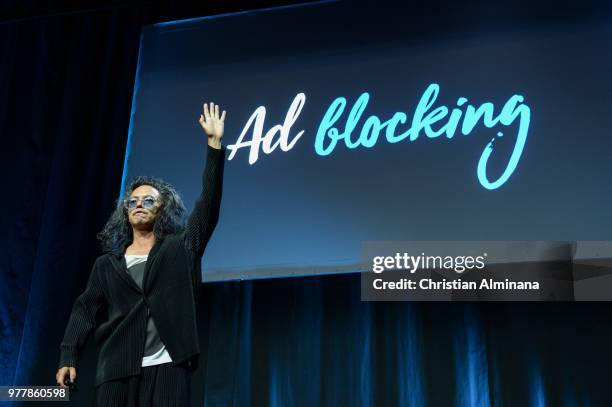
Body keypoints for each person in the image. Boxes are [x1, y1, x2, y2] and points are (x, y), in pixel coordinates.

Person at [55, 102, 227, 406]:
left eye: (148, 201)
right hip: (116, 369)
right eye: (133, 201)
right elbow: (84, 310)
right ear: (125, 210)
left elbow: (208, 207)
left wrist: (214, 146)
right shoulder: (107, 264)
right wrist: (69, 355)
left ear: (161, 209)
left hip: (169, 366)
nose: (139, 205)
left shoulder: (180, 247)